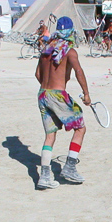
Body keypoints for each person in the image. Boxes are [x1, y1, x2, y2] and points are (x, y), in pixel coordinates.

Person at [35, 16, 92, 189]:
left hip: (42, 94)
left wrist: (48, 88)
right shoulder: (70, 51)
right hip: (57, 95)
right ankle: (70, 166)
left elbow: (38, 75)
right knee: (80, 127)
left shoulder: (46, 50)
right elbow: (79, 72)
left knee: (50, 135)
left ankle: (44, 176)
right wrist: (86, 94)